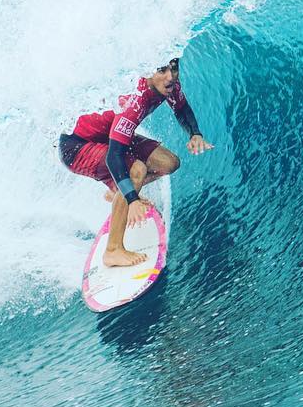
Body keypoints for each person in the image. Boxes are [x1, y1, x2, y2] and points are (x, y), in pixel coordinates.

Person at [59, 58, 213, 267]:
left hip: (106, 136)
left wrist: (195, 134)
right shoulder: (135, 101)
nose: (171, 76)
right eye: (162, 70)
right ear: (149, 72)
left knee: (169, 163)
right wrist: (133, 200)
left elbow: (182, 108)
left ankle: (117, 190)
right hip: (77, 147)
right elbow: (114, 157)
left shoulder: (170, 85)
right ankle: (113, 250)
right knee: (137, 170)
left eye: (174, 68)